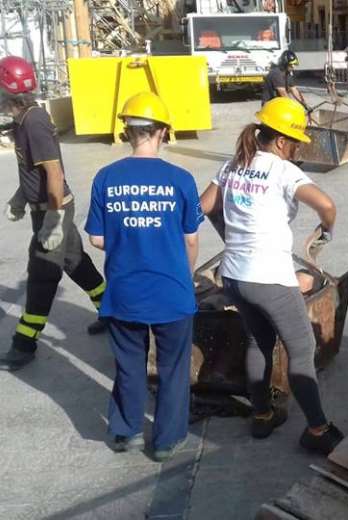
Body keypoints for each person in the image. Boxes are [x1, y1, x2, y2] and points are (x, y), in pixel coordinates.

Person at [199, 96, 344, 454]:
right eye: (295, 143)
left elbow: (202, 207)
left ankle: (262, 415)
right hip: (268, 277)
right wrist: (326, 231)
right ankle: (317, 429)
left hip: (233, 275)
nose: (297, 151)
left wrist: (231, 233)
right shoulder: (283, 171)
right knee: (302, 347)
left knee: (258, 341)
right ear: (281, 140)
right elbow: (327, 205)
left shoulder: (233, 165)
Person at [85, 92, 201, 461]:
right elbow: (191, 238)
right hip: (172, 291)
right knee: (173, 369)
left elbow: (97, 237)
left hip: (124, 291)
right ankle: (166, 440)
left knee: (129, 364)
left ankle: (126, 432)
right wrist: (186, 274)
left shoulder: (106, 178)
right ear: (163, 132)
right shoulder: (181, 179)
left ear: (126, 131)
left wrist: (128, 245)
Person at [0, 55, 107, 372]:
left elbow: (54, 175)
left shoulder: (34, 123)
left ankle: (24, 343)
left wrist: (55, 221)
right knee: (75, 261)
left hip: (53, 208)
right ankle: (111, 311)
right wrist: (20, 198)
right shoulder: (22, 123)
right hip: (45, 207)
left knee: (42, 275)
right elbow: (34, 173)